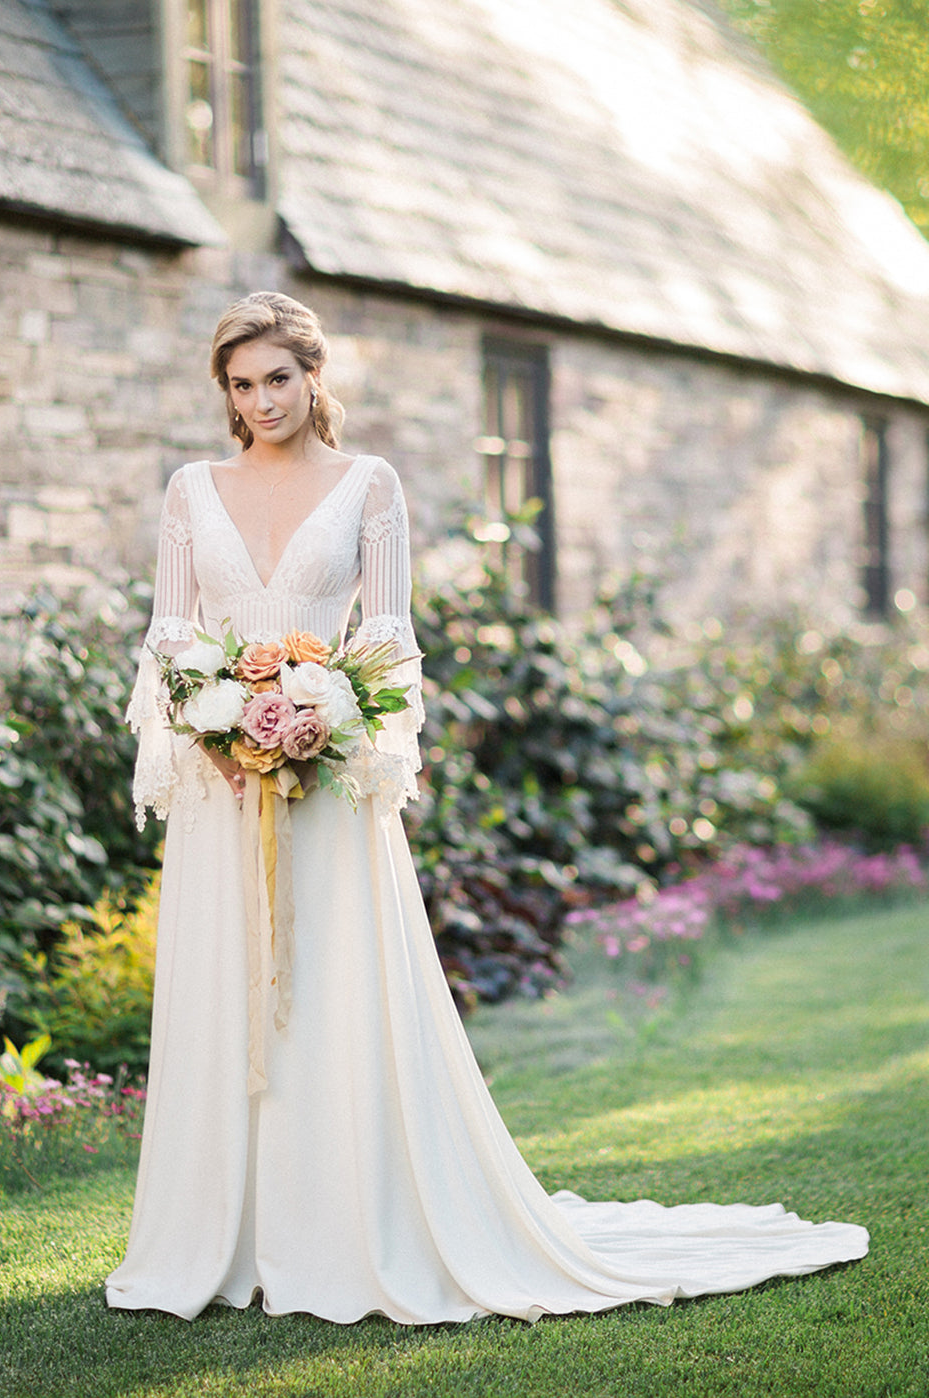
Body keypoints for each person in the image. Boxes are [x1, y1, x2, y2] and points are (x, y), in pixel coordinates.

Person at [105, 291, 867, 1323]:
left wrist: (322, 725)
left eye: (277, 377)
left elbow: (387, 638)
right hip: (219, 790)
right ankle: (223, 1235)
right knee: (229, 982)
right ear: (225, 395)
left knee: (332, 985)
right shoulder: (191, 489)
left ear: (312, 376)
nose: (261, 400)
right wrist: (219, 731)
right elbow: (168, 633)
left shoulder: (369, 484)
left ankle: (347, 1224)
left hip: (327, 781)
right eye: (240, 385)